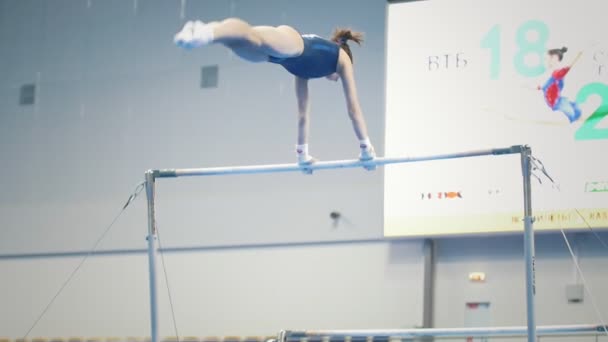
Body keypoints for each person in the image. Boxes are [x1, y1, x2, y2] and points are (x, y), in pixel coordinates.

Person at [173, 18, 376, 169]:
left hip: (277, 58)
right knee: (252, 36)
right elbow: (353, 108)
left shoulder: (305, 72)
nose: (335, 80)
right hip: (294, 43)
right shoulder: (342, 59)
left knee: (237, 42)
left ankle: (203, 36)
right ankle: (206, 30)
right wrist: (366, 150)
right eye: (337, 78)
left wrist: (302, 155)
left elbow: (303, 115)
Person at [538, 47, 583, 123]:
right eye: (545, 59)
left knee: (573, 106)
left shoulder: (557, 73)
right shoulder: (551, 73)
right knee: (571, 109)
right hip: (553, 101)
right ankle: (575, 118)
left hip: (557, 101)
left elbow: (569, 66)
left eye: (547, 59)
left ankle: (577, 118)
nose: (545, 61)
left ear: (555, 59)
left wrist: (579, 54)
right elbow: (544, 86)